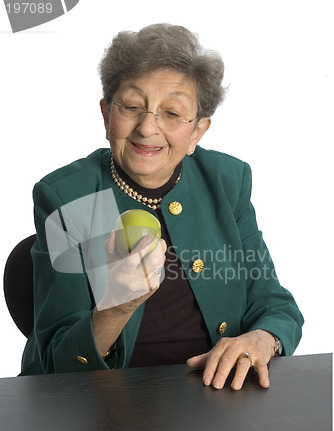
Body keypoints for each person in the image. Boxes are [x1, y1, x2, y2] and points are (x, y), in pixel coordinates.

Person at [20, 23, 303, 390]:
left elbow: (274, 303)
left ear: (198, 131)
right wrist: (116, 307)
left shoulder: (225, 179)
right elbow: (56, 363)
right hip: (100, 404)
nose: (147, 128)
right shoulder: (69, 196)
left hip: (219, 398)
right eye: (133, 106)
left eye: (172, 113)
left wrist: (261, 340)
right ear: (107, 114)